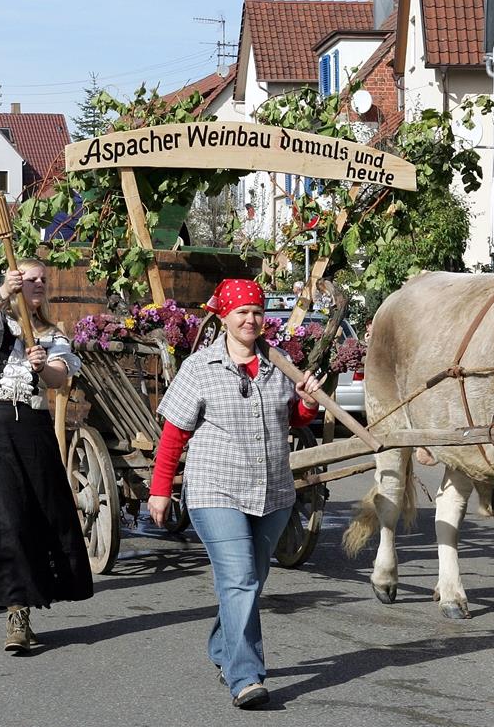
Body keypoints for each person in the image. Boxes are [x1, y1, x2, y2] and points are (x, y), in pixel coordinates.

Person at [147, 278, 323, 709]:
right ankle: (245, 676)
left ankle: (223, 647)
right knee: (240, 579)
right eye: (241, 312)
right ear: (224, 317)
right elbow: (173, 436)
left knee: (249, 582)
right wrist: (159, 491)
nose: (250, 319)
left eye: (257, 311)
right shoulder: (199, 368)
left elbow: (295, 420)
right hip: (215, 488)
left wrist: (308, 403)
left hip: (272, 492)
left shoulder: (280, 366)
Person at [0, 258, 92, 653]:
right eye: (29, 278)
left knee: (37, 519)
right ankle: (15, 613)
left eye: (42, 280)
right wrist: (3, 291)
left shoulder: (53, 334)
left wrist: (43, 368)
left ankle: (26, 604)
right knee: (5, 521)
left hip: (34, 427)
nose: (36, 284)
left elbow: (59, 377)